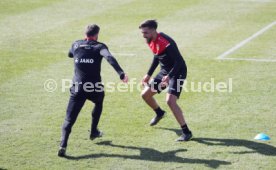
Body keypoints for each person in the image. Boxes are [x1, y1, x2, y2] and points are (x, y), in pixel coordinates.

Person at [58, 24, 128, 157]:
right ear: (97, 35)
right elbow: (109, 58)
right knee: (99, 102)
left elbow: (69, 54)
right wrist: (121, 73)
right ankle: (94, 131)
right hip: (94, 87)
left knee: (69, 118)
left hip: (78, 88)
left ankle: (63, 144)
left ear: (85, 34)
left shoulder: (76, 44)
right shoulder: (100, 46)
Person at [139, 19, 192, 142]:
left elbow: (179, 62)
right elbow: (157, 56)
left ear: (153, 30)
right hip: (165, 72)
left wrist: (169, 76)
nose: (143, 35)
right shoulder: (150, 40)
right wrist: (148, 74)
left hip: (177, 71)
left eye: (145, 32)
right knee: (145, 95)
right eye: (142, 33)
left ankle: (186, 132)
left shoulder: (166, 42)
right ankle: (159, 113)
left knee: (170, 101)